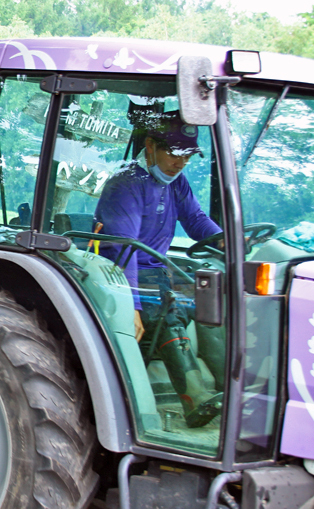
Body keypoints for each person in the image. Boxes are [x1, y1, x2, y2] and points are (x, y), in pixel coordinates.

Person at [95, 112, 225, 428]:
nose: (180, 162)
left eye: (188, 155)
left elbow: (195, 220)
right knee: (167, 314)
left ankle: (230, 387)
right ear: (151, 146)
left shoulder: (175, 182)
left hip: (157, 274)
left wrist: (224, 240)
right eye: (174, 153)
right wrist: (133, 308)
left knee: (214, 303)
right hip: (123, 274)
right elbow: (123, 249)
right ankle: (195, 397)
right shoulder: (127, 184)